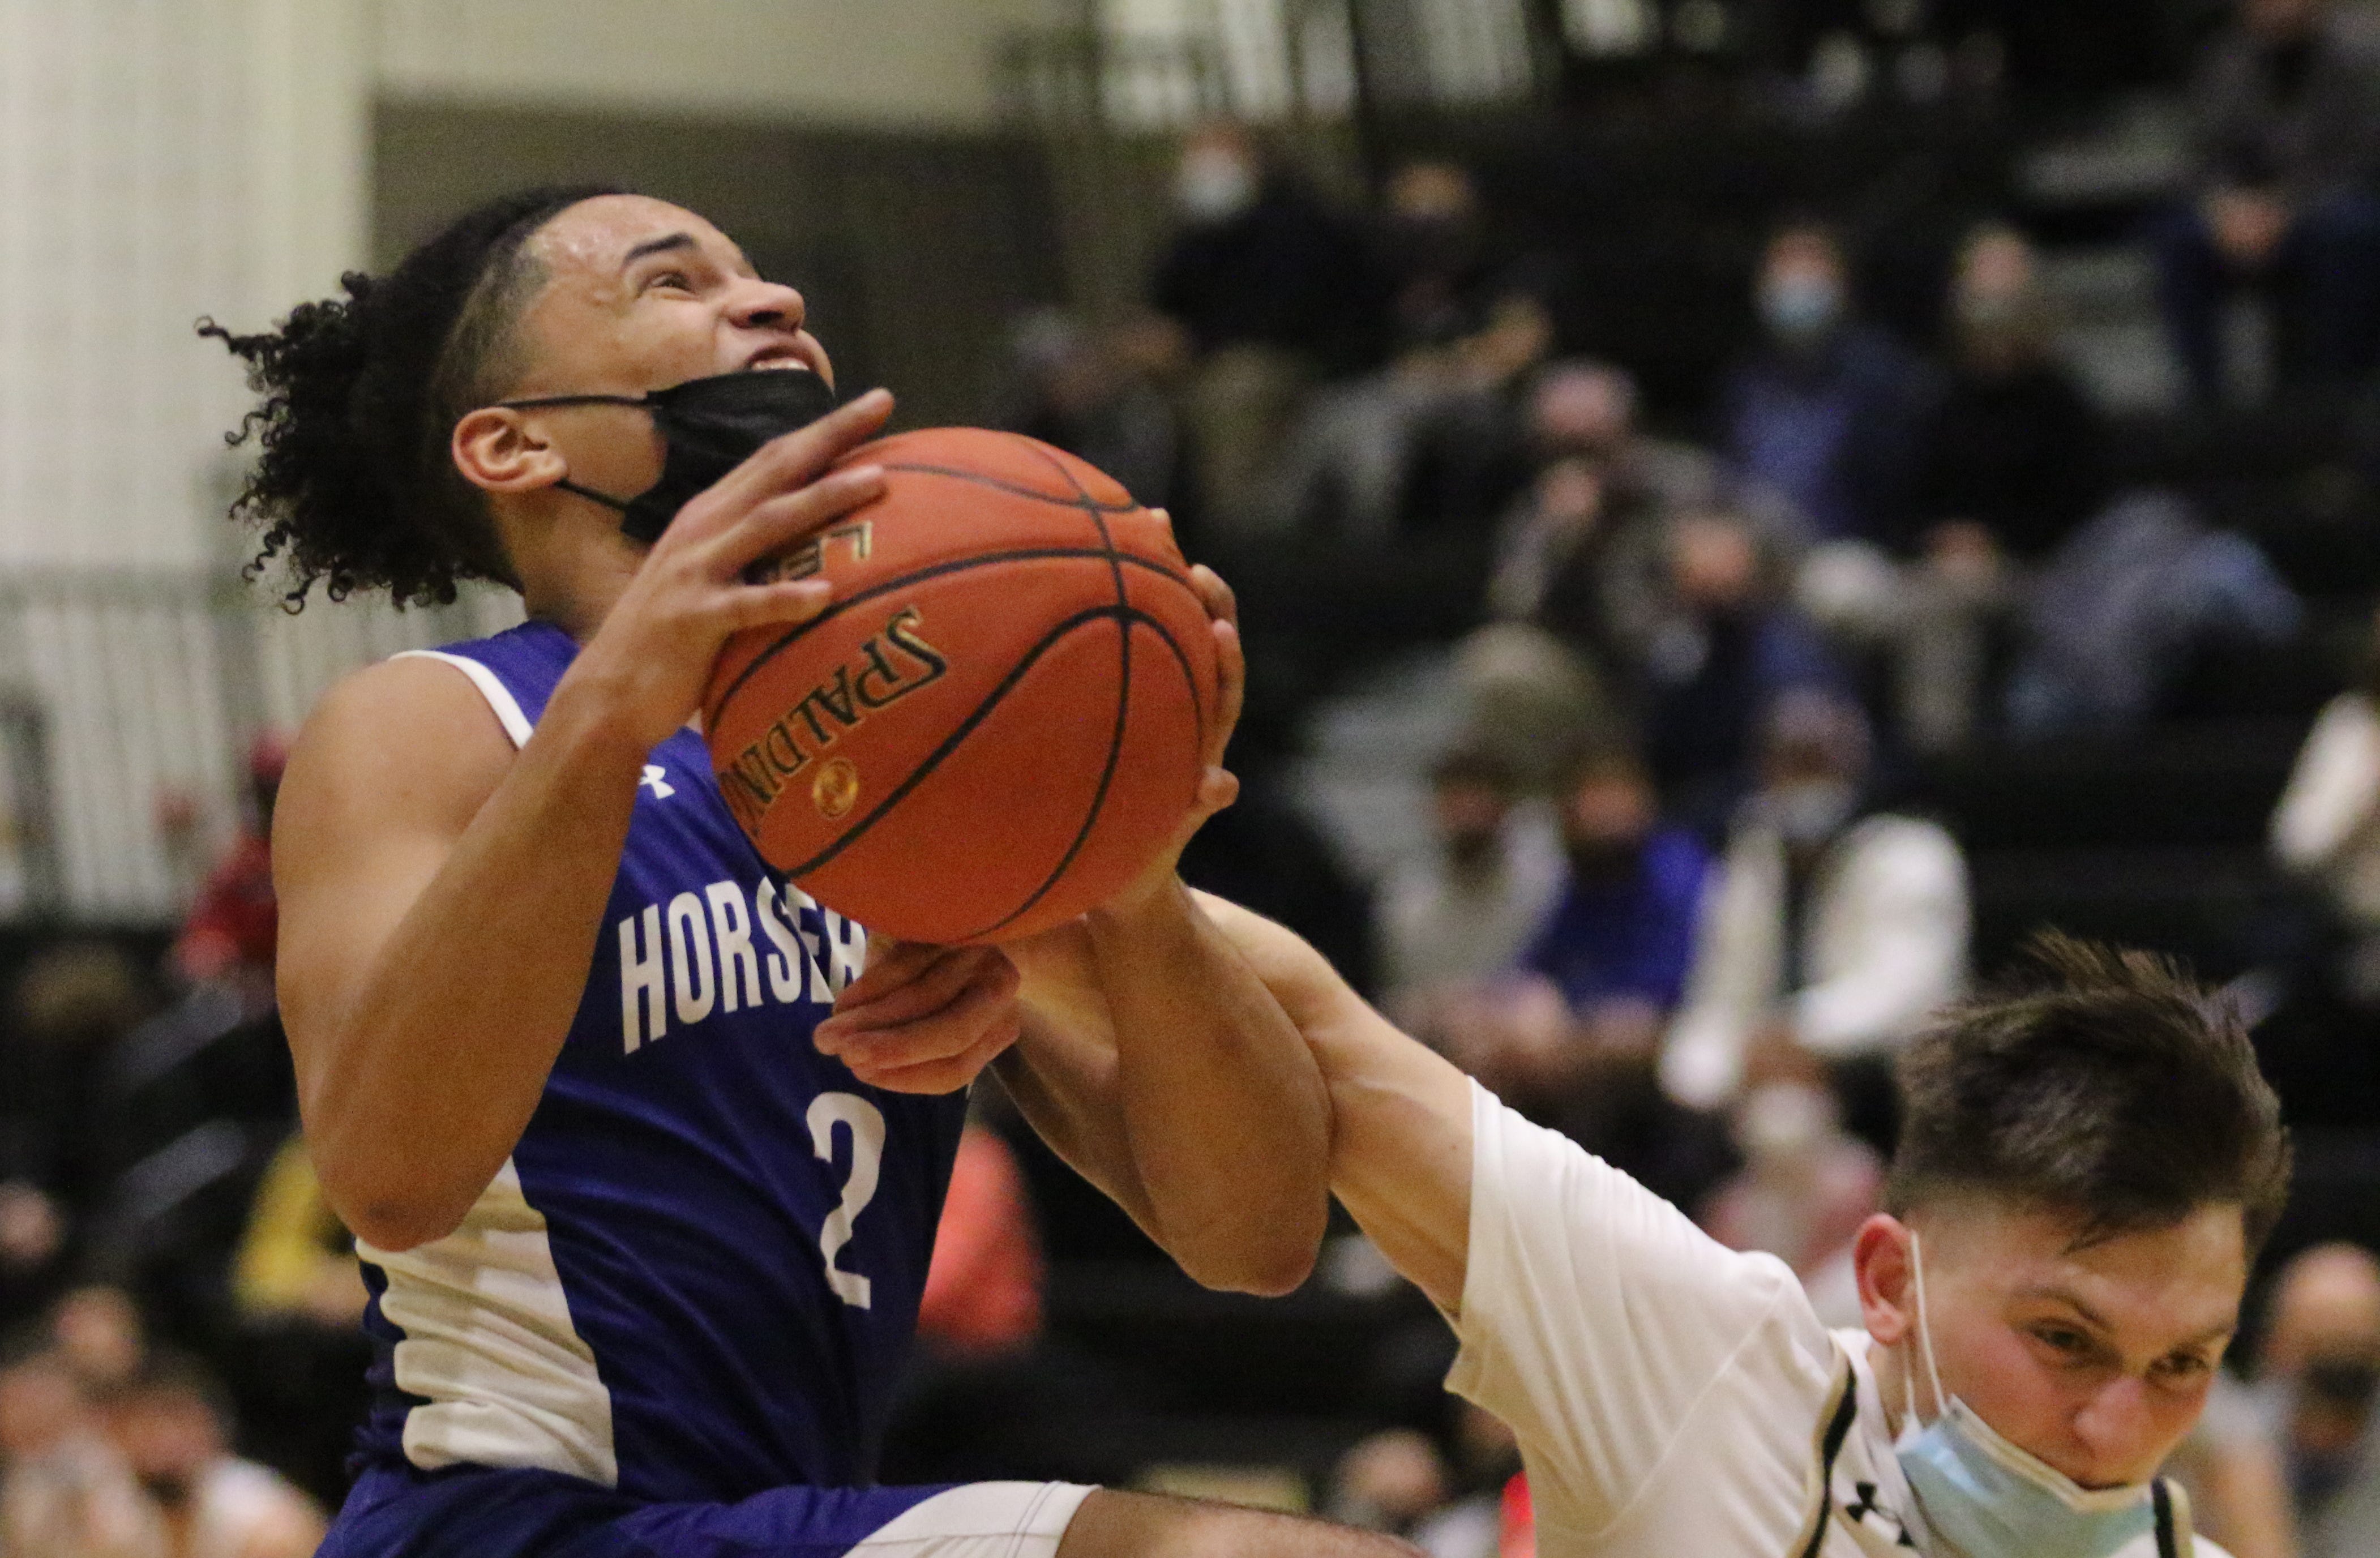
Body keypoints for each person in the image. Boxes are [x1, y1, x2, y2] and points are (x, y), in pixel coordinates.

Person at [207, 186, 1399, 1558]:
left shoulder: (895, 768)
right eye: (674, 285)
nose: (769, 303)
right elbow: (385, 1176)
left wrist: (1131, 878)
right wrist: (611, 718)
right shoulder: (434, 721)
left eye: (763, 278)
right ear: (513, 443)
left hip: (776, 1518)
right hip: (515, 1524)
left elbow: (1252, 1238)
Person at [1209, 905, 2291, 1557]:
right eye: (2062, 1338)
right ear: (1887, 1281)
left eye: (2182, 1362)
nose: (2117, 1430)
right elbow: (1313, 1024)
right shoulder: (1706, 1369)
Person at [1663, 690, 1968, 1150]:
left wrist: (1797, 1036)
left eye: (1818, 760)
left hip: (1888, 1080)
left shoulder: (1914, 852)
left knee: (1789, 1118)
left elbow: (1900, 992)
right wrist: (1703, 1076)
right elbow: (1721, 993)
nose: (1804, 778)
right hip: (1767, 1075)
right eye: (1790, 761)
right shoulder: (1750, 861)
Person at [2151, 0, 2380, 401]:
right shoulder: (2224, 58)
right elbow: (2203, 152)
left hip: (2320, 206)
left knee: (2353, 229)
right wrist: (2225, 206)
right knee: (2175, 236)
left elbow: (2360, 159)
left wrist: (2285, 207)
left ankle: (2330, 395)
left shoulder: (2357, 58)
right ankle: (2205, 402)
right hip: (2239, 211)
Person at [1719, 221, 1938, 547]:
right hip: (1754, 550)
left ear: (1843, 283)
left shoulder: (1882, 375)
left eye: (1811, 268)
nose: (1798, 282)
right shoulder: (1745, 381)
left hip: (1850, 550)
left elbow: (1899, 488)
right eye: (1785, 268)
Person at [1376, 746, 1566, 1008]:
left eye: (1480, 796)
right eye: (1457, 797)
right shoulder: (1405, 898)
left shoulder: (1548, 881)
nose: (1469, 811)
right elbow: (1400, 992)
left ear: (1506, 805)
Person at [103, 1352, 324, 1558]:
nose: (162, 1441)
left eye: (176, 1421)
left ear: (210, 1432)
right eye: (145, 1425)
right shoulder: (116, 1514)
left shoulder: (259, 1514)